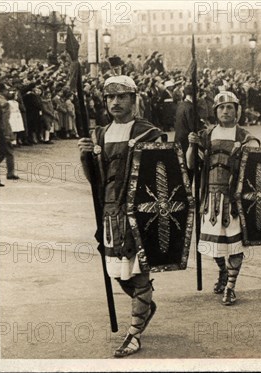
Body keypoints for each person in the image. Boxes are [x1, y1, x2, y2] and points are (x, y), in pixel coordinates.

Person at [77, 76, 163, 357]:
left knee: (138, 272)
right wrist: (86, 157)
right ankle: (145, 303)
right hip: (110, 212)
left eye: (122, 96)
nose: (115, 102)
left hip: (137, 214)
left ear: (133, 100)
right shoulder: (100, 134)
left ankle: (135, 333)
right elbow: (96, 181)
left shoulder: (148, 133)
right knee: (117, 271)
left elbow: (160, 177)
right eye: (110, 97)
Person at [186, 91, 260, 306]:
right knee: (213, 243)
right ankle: (222, 272)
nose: (225, 111)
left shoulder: (246, 137)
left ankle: (231, 286)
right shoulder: (206, 135)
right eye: (221, 107)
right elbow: (191, 165)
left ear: (237, 110)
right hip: (210, 198)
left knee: (235, 245)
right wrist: (192, 145)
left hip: (233, 201)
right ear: (215, 111)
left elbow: (255, 168)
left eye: (230, 107)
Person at [0, 83, 19, 186]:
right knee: (6, 152)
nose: (8, 92)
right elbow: (4, 121)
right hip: (2, 131)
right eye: (6, 90)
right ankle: (10, 172)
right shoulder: (5, 103)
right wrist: (7, 134)